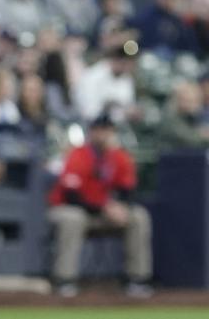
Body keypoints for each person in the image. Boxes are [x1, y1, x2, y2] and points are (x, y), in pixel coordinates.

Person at [48, 115, 152, 298]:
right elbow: (72, 196)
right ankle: (65, 280)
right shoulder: (78, 154)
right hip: (73, 209)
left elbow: (128, 190)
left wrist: (120, 207)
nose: (103, 135)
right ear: (91, 132)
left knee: (138, 216)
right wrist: (104, 208)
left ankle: (137, 279)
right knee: (73, 218)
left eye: (107, 130)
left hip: (105, 213)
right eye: (99, 130)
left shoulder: (119, 156)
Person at [159, 80, 209, 148]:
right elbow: (190, 139)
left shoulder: (195, 117)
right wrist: (203, 135)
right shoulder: (170, 118)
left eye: (195, 100)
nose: (191, 105)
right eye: (187, 100)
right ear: (177, 100)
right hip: (172, 156)